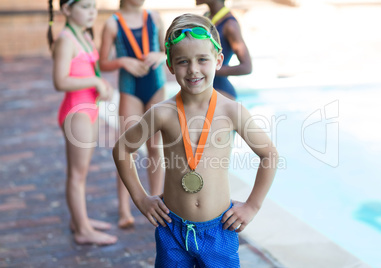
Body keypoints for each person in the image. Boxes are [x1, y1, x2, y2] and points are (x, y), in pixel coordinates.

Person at [113, 13, 277, 266]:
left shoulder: (231, 111)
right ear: (169, 65)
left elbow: (269, 155)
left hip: (219, 229)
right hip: (172, 229)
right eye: (182, 62)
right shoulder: (163, 113)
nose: (193, 70)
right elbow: (123, 148)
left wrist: (252, 206)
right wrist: (141, 198)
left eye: (202, 59)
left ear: (218, 60)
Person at [48, 0, 117, 245]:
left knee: (83, 171)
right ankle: (83, 231)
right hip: (76, 112)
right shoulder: (66, 40)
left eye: (93, 6)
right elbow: (60, 80)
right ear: (67, 9)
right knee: (76, 175)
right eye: (85, 7)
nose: (92, 12)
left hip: (90, 109)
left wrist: (101, 85)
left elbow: (86, 70)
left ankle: (79, 220)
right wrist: (95, 82)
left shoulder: (84, 36)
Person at [99, 0, 166, 228]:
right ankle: (124, 208)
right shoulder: (112, 23)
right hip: (130, 91)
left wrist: (160, 55)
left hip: (156, 86)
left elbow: (168, 49)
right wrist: (122, 61)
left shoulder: (155, 17)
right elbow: (102, 63)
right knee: (128, 151)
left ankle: (157, 201)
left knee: (156, 147)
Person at [196, 0, 252, 100]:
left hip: (222, 92)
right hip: (204, 90)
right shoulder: (206, 17)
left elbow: (247, 67)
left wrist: (209, 69)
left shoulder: (230, 25)